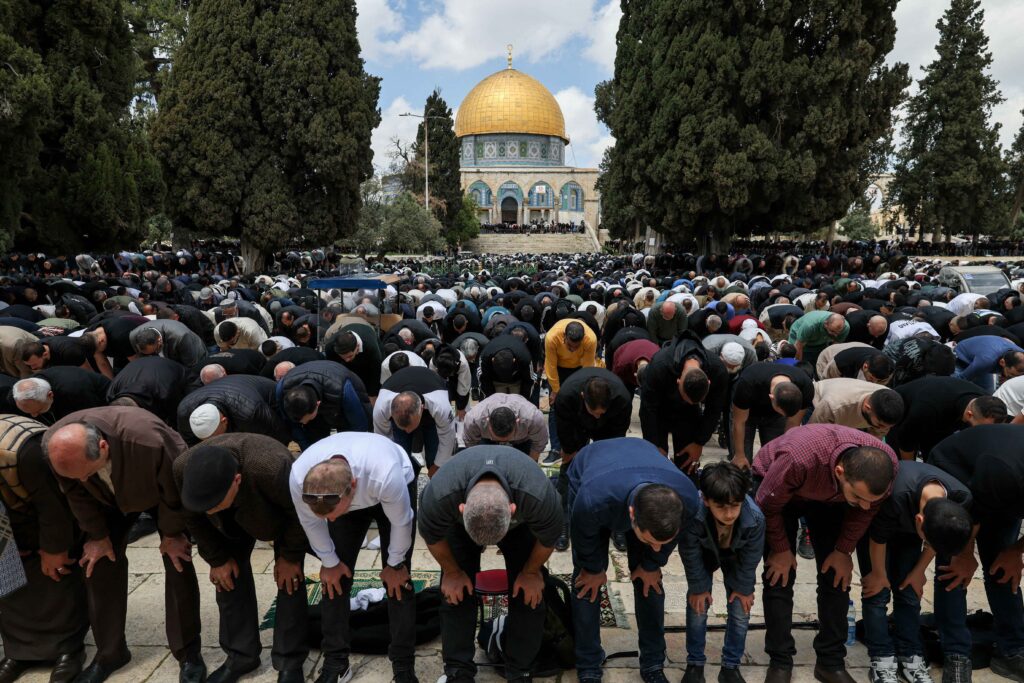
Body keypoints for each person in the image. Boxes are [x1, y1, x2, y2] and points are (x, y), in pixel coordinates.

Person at [42, 407, 206, 683]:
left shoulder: (149, 441)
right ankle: (110, 652)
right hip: (103, 499)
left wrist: (170, 534)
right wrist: (96, 535)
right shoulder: (54, 446)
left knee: (177, 557)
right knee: (97, 562)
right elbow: (74, 491)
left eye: (85, 471)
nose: (81, 478)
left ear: (103, 447)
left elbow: (176, 491)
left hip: (158, 491)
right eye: (75, 475)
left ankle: (188, 652)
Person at [753, 424, 897, 683]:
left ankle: (830, 662)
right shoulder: (798, 458)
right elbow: (766, 504)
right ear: (840, 472)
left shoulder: (885, 466)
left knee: (836, 576)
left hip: (833, 500)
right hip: (779, 490)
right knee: (779, 576)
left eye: (870, 499)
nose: (866, 505)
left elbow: (865, 510)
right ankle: (780, 661)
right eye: (859, 496)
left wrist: (844, 550)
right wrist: (781, 549)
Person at [418, 445, 562, 683]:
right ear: (461, 509)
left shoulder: (539, 495)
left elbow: (549, 537)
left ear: (512, 510)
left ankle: (521, 669)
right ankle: (458, 670)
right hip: (461, 527)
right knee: (454, 592)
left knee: (530, 592)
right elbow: (432, 536)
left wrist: (530, 572)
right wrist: (453, 572)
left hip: (519, 527)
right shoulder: (439, 495)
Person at [174, 434, 309, 683]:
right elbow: (192, 517)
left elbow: (300, 513)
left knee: (290, 579)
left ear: (237, 481)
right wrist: (217, 559)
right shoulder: (183, 468)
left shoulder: (272, 466)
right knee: (227, 578)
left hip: (273, 510)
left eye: (213, 504)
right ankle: (241, 655)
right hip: (223, 524)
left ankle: (290, 661)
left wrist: (289, 556)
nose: (207, 510)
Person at [291, 432, 419, 683]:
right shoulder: (299, 477)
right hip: (342, 496)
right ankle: (336, 661)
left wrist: (395, 564)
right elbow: (311, 523)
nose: (332, 522)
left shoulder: (386, 474)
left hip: (392, 488)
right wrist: (329, 561)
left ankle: (403, 665)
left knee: (398, 581)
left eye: (334, 515)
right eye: (326, 517)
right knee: (334, 579)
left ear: (353, 488)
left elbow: (402, 523)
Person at [568, 437, 699, 683]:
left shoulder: (688, 499)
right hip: (593, 468)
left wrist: (653, 562)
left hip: (640, 465)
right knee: (587, 583)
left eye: (662, 541)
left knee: (650, 580)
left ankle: (652, 664)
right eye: (649, 540)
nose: (657, 547)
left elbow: (669, 539)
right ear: (632, 516)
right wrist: (593, 568)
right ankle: (588, 665)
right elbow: (582, 532)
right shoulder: (592, 500)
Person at [858, 461, 974, 683]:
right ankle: (881, 658)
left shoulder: (961, 498)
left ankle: (911, 654)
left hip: (911, 534)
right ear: (919, 521)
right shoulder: (896, 495)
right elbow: (877, 538)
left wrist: (919, 570)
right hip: (874, 530)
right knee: (876, 593)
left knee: (909, 592)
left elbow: (937, 542)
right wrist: (879, 574)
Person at [930, 425, 1024, 682]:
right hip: (957, 469)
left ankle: (1013, 650)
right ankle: (956, 654)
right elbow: (972, 513)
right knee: (953, 568)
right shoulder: (1005, 471)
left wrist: (1016, 551)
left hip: (1002, 485)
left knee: (1004, 567)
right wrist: (963, 553)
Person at [0, 414, 88, 683]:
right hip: (6, 511)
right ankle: (19, 651)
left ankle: (68, 649)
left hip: (51, 506)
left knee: (56, 570)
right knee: (6, 573)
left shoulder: (24, 451)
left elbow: (53, 505)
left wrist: (54, 548)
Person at [680, 463, 765, 683]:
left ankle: (730, 667)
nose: (729, 514)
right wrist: (699, 587)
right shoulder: (692, 515)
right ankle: (695, 664)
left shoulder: (755, 519)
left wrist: (744, 588)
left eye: (735, 506)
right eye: (721, 507)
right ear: (705, 500)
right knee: (697, 605)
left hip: (737, 558)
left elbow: (752, 557)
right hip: (704, 554)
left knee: (741, 608)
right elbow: (689, 552)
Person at [552, 368, 633, 550]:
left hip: (609, 427)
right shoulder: (566, 396)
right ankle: (564, 523)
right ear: (583, 397)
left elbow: (617, 438)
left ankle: (616, 525)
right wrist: (570, 450)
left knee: (612, 473)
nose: (597, 415)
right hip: (576, 423)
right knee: (569, 469)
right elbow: (564, 430)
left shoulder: (621, 399)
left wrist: (607, 457)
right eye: (594, 411)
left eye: (601, 412)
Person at [639, 331, 729, 471]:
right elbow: (647, 409)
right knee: (656, 465)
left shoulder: (718, 370)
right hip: (660, 410)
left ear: (709, 382)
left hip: (689, 416)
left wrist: (699, 442)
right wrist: (654, 445)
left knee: (687, 464)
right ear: (678, 381)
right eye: (686, 399)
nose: (688, 402)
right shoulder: (659, 366)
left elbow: (714, 410)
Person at [886, 376, 1007, 461]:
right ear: (969, 414)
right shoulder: (929, 409)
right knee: (898, 461)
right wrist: (912, 469)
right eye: (981, 428)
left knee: (937, 455)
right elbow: (905, 441)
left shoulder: (986, 403)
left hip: (942, 419)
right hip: (900, 412)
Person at [373, 366, 456, 476]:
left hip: (431, 409)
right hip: (398, 392)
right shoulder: (381, 408)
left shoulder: (441, 406)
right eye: (404, 428)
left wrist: (438, 465)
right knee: (400, 455)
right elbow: (383, 441)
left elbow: (447, 437)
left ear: (421, 409)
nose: (407, 431)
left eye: (410, 427)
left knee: (434, 453)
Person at [729, 363, 813, 471]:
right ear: (771, 398)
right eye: (782, 413)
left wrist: (784, 454)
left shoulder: (805, 386)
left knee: (773, 460)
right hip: (748, 412)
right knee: (741, 462)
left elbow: (793, 424)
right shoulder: (749, 382)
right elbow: (739, 422)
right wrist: (739, 455)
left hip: (775, 418)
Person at [276, 360, 372, 449]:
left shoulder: (344, 391)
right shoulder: (283, 390)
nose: (304, 423)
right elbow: (294, 426)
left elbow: (358, 427)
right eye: (301, 421)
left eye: (307, 419)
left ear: (318, 404)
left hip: (338, 390)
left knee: (346, 439)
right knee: (314, 438)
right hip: (320, 393)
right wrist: (308, 450)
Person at [176, 374, 289, 446]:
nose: (213, 443)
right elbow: (191, 446)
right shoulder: (184, 412)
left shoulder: (249, 413)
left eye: (214, 438)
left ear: (224, 421)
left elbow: (278, 434)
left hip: (270, 396)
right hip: (229, 390)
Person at [543, 318, 598, 457]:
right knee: (555, 407)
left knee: (581, 405)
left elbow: (587, 369)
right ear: (564, 337)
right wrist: (555, 391)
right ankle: (555, 448)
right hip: (559, 369)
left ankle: (581, 447)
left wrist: (584, 391)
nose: (573, 349)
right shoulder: (552, 337)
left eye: (576, 346)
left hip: (579, 369)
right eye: (569, 346)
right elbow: (550, 366)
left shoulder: (590, 339)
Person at [105, 355, 191, 425]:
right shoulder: (111, 394)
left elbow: (176, 417)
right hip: (141, 366)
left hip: (177, 375)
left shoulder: (165, 392)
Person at [461, 393, 548, 459]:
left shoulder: (533, 419)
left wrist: (528, 466)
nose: (503, 443)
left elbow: (537, 446)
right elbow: (472, 448)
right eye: (497, 438)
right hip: (487, 441)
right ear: (487, 421)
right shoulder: (473, 420)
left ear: (517, 422)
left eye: (507, 438)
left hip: (522, 440)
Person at [808, 379, 905, 438]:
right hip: (815, 403)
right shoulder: (834, 405)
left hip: (849, 418)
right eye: (880, 425)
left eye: (888, 427)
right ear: (868, 408)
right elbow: (810, 433)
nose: (884, 429)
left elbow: (876, 437)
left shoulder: (888, 399)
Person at [11, 367, 110, 424]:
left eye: (38, 410)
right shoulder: (27, 387)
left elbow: (94, 417)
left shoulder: (74, 390)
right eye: (29, 412)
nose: (34, 415)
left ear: (50, 395)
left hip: (104, 400)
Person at [325, 323, 384, 398]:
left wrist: (372, 397)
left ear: (357, 347)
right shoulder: (330, 347)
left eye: (349, 356)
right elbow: (333, 371)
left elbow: (375, 376)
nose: (347, 360)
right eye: (343, 357)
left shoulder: (371, 347)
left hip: (369, 353)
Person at [953, 338, 1024, 392]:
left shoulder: (1021, 353)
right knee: (957, 385)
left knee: (988, 392)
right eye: (1011, 374)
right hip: (962, 357)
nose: (1013, 378)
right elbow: (961, 379)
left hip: (983, 354)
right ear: (1002, 362)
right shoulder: (986, 361)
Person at [477, 335, 534, 400]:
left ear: (514, 360)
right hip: (496, 381)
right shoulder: (485, 356)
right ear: (492, 360)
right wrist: (490, 399)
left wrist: (524, 400)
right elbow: (483, 380)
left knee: (516, 401)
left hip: (516, 380)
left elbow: (529, 380)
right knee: (497, 402)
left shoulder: (524, 357)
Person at [816, 342, 894, 384]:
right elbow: (827, 382)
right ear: (865, 367)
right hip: (830, 357)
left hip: (860, 350)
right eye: (871, 378)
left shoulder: (889, 368)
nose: (874, 382)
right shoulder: (842, 362)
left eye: (878, 380)